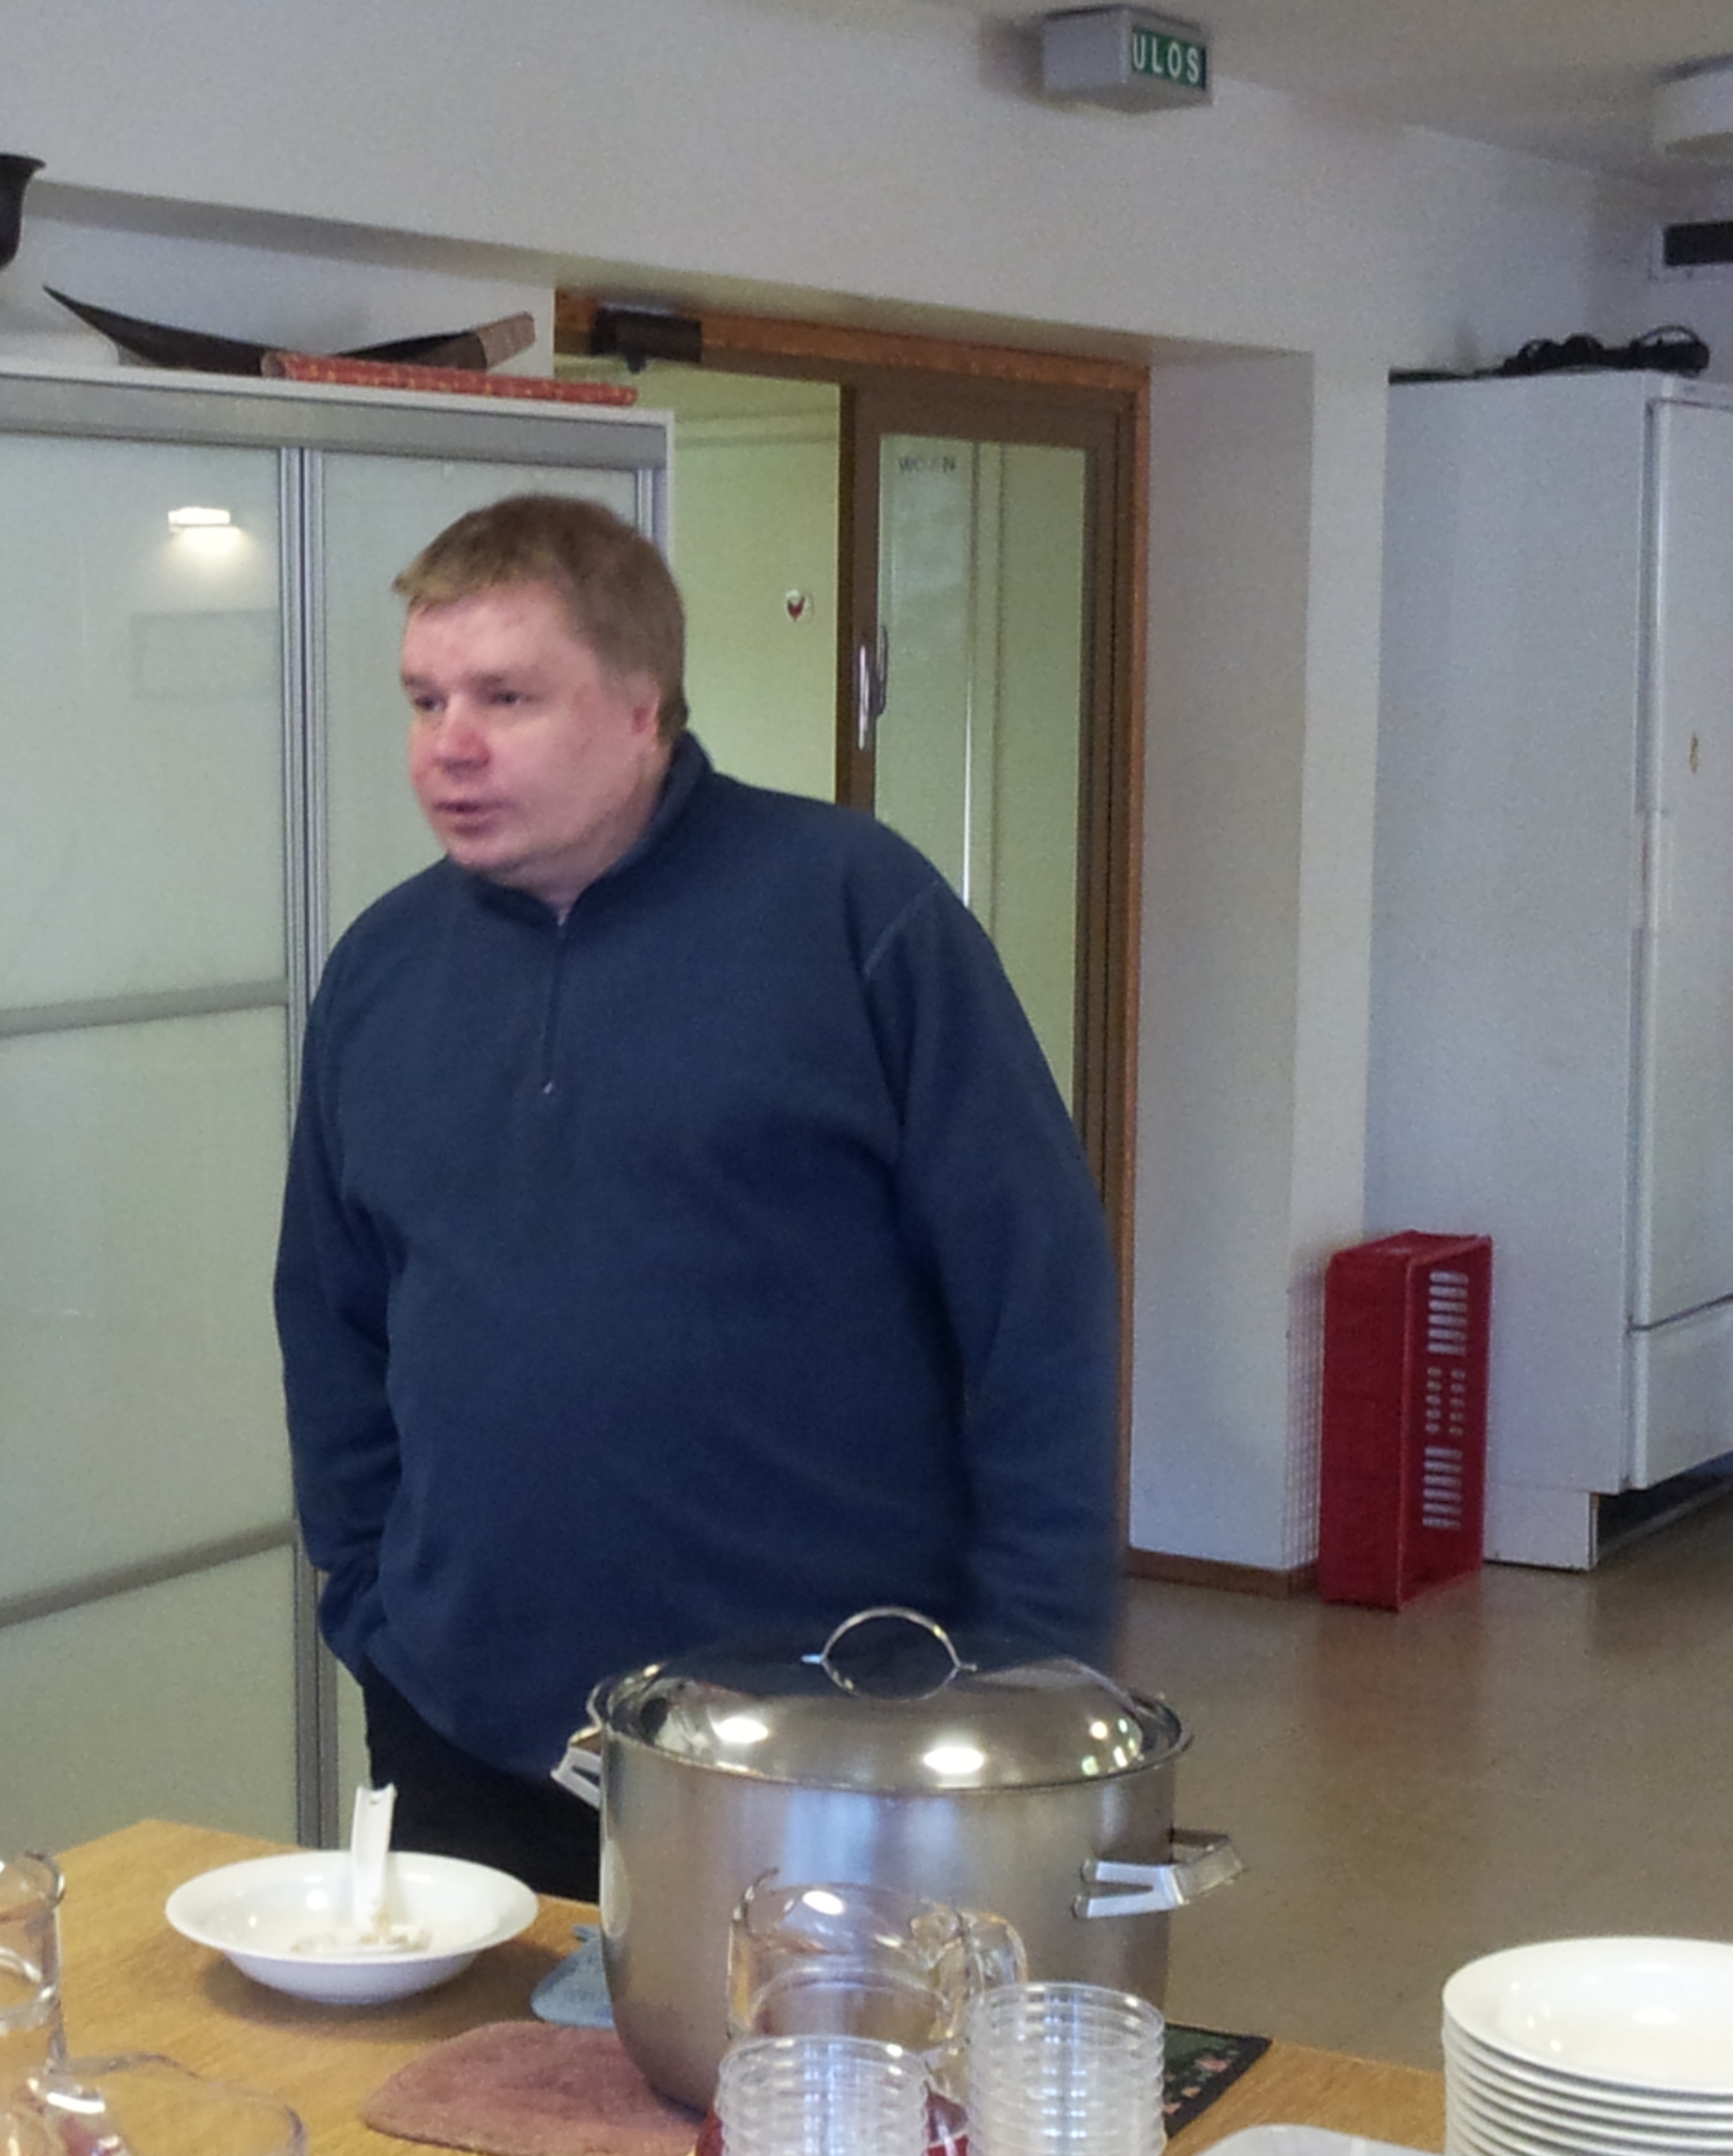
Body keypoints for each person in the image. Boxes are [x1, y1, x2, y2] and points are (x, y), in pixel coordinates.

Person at [274, 493, 1118, 1899]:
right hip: (472, 1731)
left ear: (642, 709)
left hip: (833, 1734)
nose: (448, 745)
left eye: (506, 697)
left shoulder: (857, 914)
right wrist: (371, 1605)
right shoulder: (382, 970)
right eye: (425, 700)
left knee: (811, 2054)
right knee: (471, 2049)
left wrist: (1028, 1672)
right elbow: (332, 1317)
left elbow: (1037, 1301)